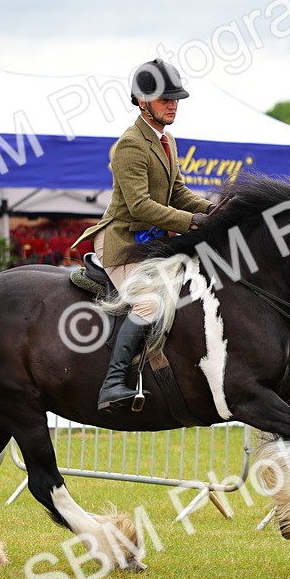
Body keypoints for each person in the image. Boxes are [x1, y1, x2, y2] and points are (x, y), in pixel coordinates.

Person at [73, 59, 213, 411]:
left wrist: (217, 210)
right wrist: (191, 220)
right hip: (122, 239)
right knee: (148, 303)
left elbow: (178, 192)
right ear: (141, 101)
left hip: (152, 241)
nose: (173, 104)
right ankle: (113, 382)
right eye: (165, 99)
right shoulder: (131, 145)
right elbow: (139, 206)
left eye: (176, 98)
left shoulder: (167, 140)